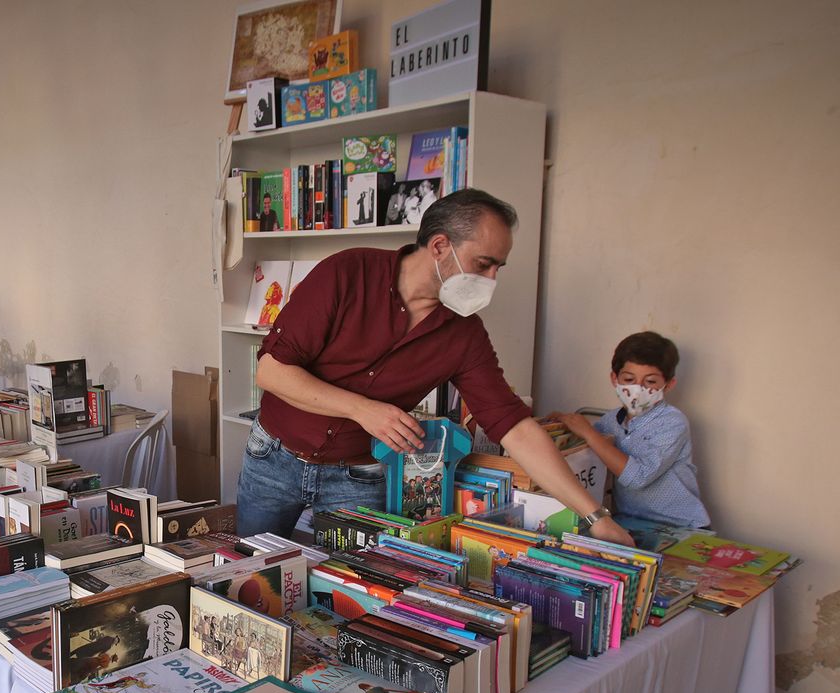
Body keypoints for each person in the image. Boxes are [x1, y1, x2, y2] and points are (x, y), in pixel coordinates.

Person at [238, 188, 634, 546]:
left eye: (499, 268)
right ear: (440, 246)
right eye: (484, 264)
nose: (492, 280)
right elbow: (271, 372)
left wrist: (595, 517)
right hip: (273, 458)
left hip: (360, 477)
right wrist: (362, 409)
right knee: (247, 578)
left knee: (353, 593)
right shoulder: (348, 273)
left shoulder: (464, 334)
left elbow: (513, 427)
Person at [551, 332, 709, 528]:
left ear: (668, 385)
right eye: (629, 379)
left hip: (682, 527)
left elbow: (638, 477)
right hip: (633, 524)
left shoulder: (673, 422)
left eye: (650, 382)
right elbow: (590, 447)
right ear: (614, 379)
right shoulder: (610, 421)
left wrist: (589, 433)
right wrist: (561, 425)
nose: (638, 389)